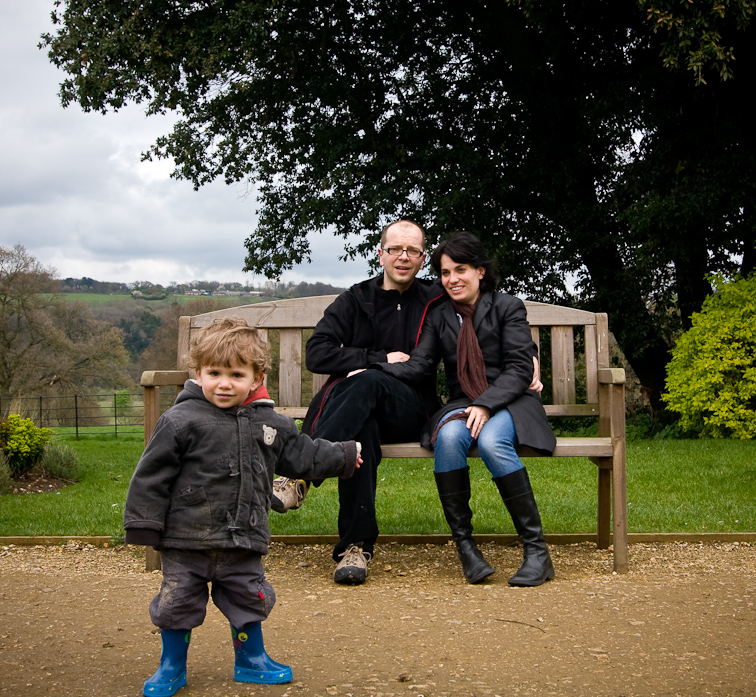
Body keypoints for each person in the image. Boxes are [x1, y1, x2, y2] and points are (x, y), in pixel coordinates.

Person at [124, 318, 362, 696]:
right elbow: (151, 475)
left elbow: (303, 456)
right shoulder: (180, 421)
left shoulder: (270, 423)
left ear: (256, 378)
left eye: (236, 374)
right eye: (213, 373)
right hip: (186, 538)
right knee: (176, 602)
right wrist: (144, 524)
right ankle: (172, 664)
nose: (223, 383)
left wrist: (344, 456)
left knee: (249, 598)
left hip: (243, 537)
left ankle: (251, 659)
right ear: (198, 373)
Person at [374, 232, 556, 587]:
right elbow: (421, 363)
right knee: (449, 436)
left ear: (480, 272)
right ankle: (467, 550)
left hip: (512, 399)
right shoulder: (439, 315)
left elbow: (520, 367)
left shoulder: (507, 307)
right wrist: (373, 367)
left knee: (491, 443)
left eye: (461, 270)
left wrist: (486, 404)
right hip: (464, 403)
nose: (453, 279)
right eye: (445, 273)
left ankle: (537, 552)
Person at [296, 219, 444, 585]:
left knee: (370, 381)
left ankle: (300, 468)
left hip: (411, 409)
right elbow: (316, 353)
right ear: (381, 254)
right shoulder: (357, 298)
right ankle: (354, 548)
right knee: (360, 430)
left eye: (413, 250)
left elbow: (487, 311)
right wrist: (374, 359)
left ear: (423, 259)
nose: (403, 257)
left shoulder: (435, 298)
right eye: (395, 249)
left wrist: (529, 355)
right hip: (358, 413)